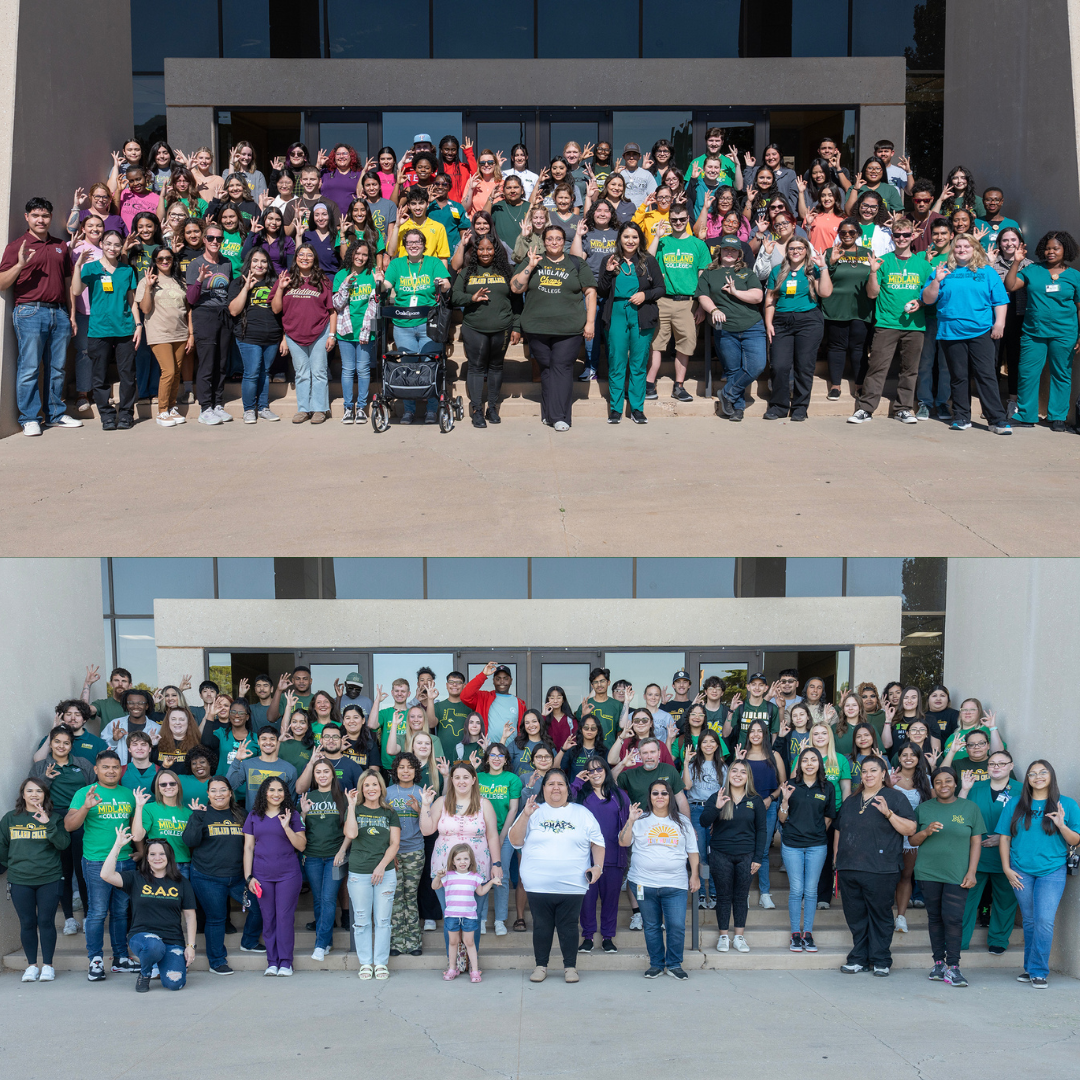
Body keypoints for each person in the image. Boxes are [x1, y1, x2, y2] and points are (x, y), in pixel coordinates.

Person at [508, 770, 604, 984]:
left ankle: (570, 967)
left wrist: (597, 866)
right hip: (538, 884)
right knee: (541, 926)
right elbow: (515, 840)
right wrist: (525, 815)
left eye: (560, 783)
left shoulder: (582, 813)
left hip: (572, 884)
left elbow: (598, 842)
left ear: (568, 789)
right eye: (550, 783)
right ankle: (541, 966)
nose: (556, 788)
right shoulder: (533, 811)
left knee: (569, 926)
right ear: (543, 789)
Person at [0, 197, 81, 435]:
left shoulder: (60, 246)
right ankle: (29, 418)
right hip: (29, 311)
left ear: (51, 218)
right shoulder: (17, 246)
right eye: (35, 215)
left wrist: (71, 314)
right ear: (27, 217)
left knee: (57, 369)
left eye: (45, 216)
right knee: (29, 367)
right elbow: (2, 282)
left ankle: (55, 414)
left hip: (59, 312)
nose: (40, 220)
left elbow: (67, 283)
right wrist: (19, 265)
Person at [997, 759, 1080, 988]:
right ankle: (1031, 968)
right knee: (1031, 921)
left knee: (1044, 920)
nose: (1038, 776)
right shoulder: (1015, 803)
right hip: (1020, 870)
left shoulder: (1068, 804)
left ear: (1051, 776)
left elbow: (1076, 840)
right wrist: (1006, 868)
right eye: (1032, 773)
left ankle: (1039, 971)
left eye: (1043, 772)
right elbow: (1004, 837)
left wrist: (1062, 825)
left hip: (1052, 871)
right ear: (1028, 779)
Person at [921, 232, 1012, 434]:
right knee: (958, 376)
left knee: (986, 375)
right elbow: (927, 299)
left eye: (967, 246)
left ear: (974, 249)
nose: (962, 250)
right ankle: (961, 417)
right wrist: (936, 281)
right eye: (958, 246)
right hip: (951, 332)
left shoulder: (986, 271)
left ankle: (996, 419)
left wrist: (999, 324)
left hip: (981, 331)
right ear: (953, 250)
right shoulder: (943, 270)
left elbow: (1000, 300)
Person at [834, 756, 917, 976]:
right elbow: (839, 830)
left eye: (873, 770)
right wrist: (837, 859)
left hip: (882, 868)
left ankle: (881, 959)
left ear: (883, 774)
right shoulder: (851, 800)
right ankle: (858, 958)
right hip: (849, 867)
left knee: (880, 915)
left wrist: (889, 814)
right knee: (855, 916)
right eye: (864, 771)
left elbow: (910, 829)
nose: (868, 775)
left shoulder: (895, 798)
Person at [511, 225, 597, 431]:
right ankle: (549, 413)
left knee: (562, 367)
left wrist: (590, 322)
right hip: (537, 328)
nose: (554, 242)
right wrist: (530, 266)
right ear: (543, 241)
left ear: (564, 241)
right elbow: (515, 287)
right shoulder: (533, 260)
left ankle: (561, 417)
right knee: (547, 369)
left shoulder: (576, 263)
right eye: (550, 239)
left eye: (558, 239)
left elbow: (590, 293)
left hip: (569, 329)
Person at [908, 766, 986, 986]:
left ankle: (953, 966)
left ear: (955, 784)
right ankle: (938, 964)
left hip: (957, 874)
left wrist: (972, 871)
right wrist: (926, 831)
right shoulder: (924, 809)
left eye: (948, 781)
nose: (944, 785)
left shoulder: (970, 808)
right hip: (928, 872)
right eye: (939, 782)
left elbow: (976, 842)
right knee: (934, 918)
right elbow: (912, 841)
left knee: (953, 919)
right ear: (933, 785)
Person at [64, 750, 137, 980]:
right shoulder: (85, 793)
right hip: (96, 861)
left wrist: (141, 853)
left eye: (115, 767)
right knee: (96, 913)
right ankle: (95, 960)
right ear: (96, 770)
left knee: (120, 912)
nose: (111, 771)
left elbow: (136, 828)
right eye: (105, 767)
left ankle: (120, 958)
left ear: (120, 769)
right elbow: (69, 826)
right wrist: (86, 807)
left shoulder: (128, 795)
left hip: (125, 861)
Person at [420, 761, 500, 966]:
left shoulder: (484, 804)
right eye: (457, 777)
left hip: (478, 868)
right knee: (451, 918)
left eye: (466, 777)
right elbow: (427, 830)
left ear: (474, 779)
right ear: (452, 780)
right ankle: (453, 962)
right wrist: (425, 805)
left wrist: (496, 863)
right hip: (445, 870)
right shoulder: (442, 802)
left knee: (472, 918)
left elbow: (492, 836)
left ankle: (471, 963)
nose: (461, 781)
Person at [620, 777, 699, 979]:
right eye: (655, 793)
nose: (660, 796)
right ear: (650, 796)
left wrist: (695, 875)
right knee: (652, 925)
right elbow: (623, 842)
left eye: (664, 792)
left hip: (676, 884)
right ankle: (656, 963)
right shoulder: (640, 819)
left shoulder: (682, 822)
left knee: (676, 926)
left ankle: (673, 964)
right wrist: (630, 821)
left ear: (670, 796)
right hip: (643, 883)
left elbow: (692, 851)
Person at [101, 827, 196, 993]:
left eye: (162, 854)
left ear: (169, 857)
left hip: (172, 940)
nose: (157, 858)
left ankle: (160, 964)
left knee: (175, 983)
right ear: (147, 857)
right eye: (152, 854)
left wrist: (190, 946)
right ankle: (145, 973)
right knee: (153, 945)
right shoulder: (136, 878)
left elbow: (190, 916)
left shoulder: (181, 882)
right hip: (142, 936)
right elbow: (106, 875)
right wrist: (117, 845)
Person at [182, 774, 262, 973]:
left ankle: (249, 941)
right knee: (216, 918)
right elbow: (190, 841)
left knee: (260, 906)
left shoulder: (241, 814)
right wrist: (197, 817)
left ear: (230, 793)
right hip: (207, 877)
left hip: (238, 877)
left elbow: (251, 845)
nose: (219, 794)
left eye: (223, 790)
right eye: (214, 790)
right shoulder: (201, 814)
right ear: (208, 794)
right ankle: (217, 961)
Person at [1004, 232, 1080, 432]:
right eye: (1048, 248)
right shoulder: (1032, 270)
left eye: (1056, 248)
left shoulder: (1074, 276)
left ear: (1065, 250)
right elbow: (1010, 285)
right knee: (1027, 373)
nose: (1051, 252)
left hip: (1064, 333)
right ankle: (1026, 415)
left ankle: (1057, 417)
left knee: (1061, 374)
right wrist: (1015, 262)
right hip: (1033, 332)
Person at [0, 777, 70, 981]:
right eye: (29, 791)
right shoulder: (10, 819)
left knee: (46, 922)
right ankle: (31, 966)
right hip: (20, 879)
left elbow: (63, 844)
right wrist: (14, 865)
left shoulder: (54, 818)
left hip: (49, 878)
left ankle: (48, 965)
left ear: (45, 795)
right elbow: (2, 847)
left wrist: (47, 824)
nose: (34, 794)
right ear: (23, 794)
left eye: (39, 791)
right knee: (27, 922)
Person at [596, 221, 664, 425]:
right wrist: (608, 272)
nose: (630, 241)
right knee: (616, 362)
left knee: (638, 363)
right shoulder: (610, 260)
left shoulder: (648, 261)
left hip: (641, 315)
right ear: (619, 239)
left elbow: (661, 288)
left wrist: (645, 294)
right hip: (616, 314)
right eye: (626, 237)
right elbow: (601, 290)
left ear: (640, 240)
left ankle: (637, 408)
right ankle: (616, 409)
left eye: (634, 237)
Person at [29, 725, 94, 935]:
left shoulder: (82, 764)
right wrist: (47, 779)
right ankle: (68, 919)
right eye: (57, 742)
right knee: (62, 871)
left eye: (66, 742)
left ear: (71, 745)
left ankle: (87, 917)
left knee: (82, 870)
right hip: (53, 820)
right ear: (50, 743)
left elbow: (94, 789)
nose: (61, 746)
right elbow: (32, 794)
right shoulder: (41, 766)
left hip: (79, 818)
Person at [646, 204, 711, 403]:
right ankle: (649, 384)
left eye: (682, 219)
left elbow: (703, 277)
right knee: (656, 344)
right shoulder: (663, 243)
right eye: (674, 220)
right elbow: (647, 260)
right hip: (663, 301)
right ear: (669, 220)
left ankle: (679, 386)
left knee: (685, 344)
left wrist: (701, 305)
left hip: (688, 302)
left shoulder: (698, 245)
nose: (678, 223)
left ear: (688, 219)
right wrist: (656, 236)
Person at [453, 234, 519, 428]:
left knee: (496, 367)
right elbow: (455, 297)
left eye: (489, 248)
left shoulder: (507, 270)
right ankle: (476, 410)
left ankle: (492, 407)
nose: (485, 252)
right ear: (475, 251)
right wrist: (470, 299)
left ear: (496, 250)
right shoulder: (467, 273)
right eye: (481, 249)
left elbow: (516, 302)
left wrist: (516, 326)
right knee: (476, 367)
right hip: (475, 327)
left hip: (502, 327)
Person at [958, 749, 1021, 955]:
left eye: (1002, 764)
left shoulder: (1021, 790)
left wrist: (1003, 838)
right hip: (975, 856)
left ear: (1011, 766)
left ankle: (998, 940)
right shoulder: (975, 787)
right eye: (992, 763)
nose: (996, 767)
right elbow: (960, 814)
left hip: (1007, 856)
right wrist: (964, 790)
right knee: (966, 900)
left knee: (1005, 900)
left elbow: (1029, 822)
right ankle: (959, 941)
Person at [697, 236, 765, 422]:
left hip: (752, 326)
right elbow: (703, 296)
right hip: (725, 329)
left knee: (757, 365)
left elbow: (758, 296)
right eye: (725, 249)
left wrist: (735, 292)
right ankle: (738, 409)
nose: (729, 252)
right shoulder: (709, 274)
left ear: (739, 254)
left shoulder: (746, 273)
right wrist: (714, 309)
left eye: (733, 250)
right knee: (734, 370)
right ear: (719, 252)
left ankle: (727, 392)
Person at [243, 776, 306, 977]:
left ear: (285, 793)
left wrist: (286, 826)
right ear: (264, 793)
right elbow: (248, 848)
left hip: (288, 874)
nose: (276, 794)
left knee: (284, 918)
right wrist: (248, 877)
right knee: (268, 918)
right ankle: (272, 961)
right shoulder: (253, 815)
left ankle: (286, 962)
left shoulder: (293, 814)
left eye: (280, 790)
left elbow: (301, 845)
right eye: (271, 790)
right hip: (262, 875)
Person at [764, 237, 832, 421]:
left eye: (800, 248)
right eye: (792, 248)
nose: (796, 251)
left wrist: (823, 267)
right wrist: (769, 323)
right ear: (787, 251)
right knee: (779, 365)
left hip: (808, 321)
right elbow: (770, 299)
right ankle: (778, 406)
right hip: (782, 321)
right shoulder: (777, 271)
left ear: (806, 250)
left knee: (804, 366)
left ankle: (800, 407)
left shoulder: (813, 270)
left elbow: (825, 293)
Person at [701, 759, 764, 954]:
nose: (737, 774)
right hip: (721, 854)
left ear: (748, 777)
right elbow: (704, 821)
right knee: (723, 896)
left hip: (746, 855)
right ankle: (723, 936)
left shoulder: (755, 800)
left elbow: (762, 830)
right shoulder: (718, 796)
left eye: (742, 772)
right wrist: (717, 807)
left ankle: (738, 936)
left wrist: (758, 858)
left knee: (740, 896)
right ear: (728, 775)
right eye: (734, 771)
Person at [778, 746, 835, 952]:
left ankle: (807, 934)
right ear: (799, 764)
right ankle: (795, 934)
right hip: (792, 844)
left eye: (813, 760)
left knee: (811, 891)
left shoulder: (827, 787)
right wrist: (785, 799)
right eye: (805, 760)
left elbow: (829, 817)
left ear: (819, 763)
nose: (809, 763)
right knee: (797, 890)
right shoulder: (791, 785)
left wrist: (816, 832)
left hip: (817, 845)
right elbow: (782, 819)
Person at [272, 243, 336, 425]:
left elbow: (331, 310)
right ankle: (303, 409)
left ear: (314, 258)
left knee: (319, 372)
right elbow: (276, 309)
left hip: (319, 332)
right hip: (293, 334)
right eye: (301, 254)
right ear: (296, 257)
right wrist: (280, 288)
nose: (305, 258)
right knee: (301, 373)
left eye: (309, 255)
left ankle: (319, 409)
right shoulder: (286, 278)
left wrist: (332, 335)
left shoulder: (323, 280)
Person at [571, 757, 628, 953]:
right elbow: (563, 804)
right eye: (591, 771)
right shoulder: (581, 795)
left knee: (611, 900)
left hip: (613, 856)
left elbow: (628, 825)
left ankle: (607, 937)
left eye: (599, 769)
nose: (596, 773)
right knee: (587, 900)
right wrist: (577, 783)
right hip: (586, 858)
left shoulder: (620, 796)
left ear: (606, 771)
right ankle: (587, 937)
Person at [184, 221, 234, 426]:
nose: (215, 241)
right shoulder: (195, 264)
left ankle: (218, 403)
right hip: (204, 314)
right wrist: (200, 279)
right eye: (211, 238)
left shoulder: (227, 263)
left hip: (223, 315)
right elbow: (191, 298)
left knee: (222, 362)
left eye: (219, 238)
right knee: (207, 362)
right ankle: (205, 408)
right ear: (204, 240)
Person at [299, 760, 349, 962]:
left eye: (325, 771)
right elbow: (299, 830)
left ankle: (320, 945)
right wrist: (303, 813)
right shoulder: (307, 797)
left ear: (332, 774)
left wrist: (342, 851)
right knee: (319, 900)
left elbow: (350, 829)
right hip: (312, 857)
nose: (321, 775)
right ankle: (326, 940)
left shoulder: (341, 798)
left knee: (328, 898)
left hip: (334, 857)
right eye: (318, 772)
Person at [227, 247, 282, 424]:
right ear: (249, 263)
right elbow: (234, 311)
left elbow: (279, 310)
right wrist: (246, 288)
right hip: (249, 336)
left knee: (265, 373)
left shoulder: (275, 282)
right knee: (251, 373)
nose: (260, 264)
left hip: (272, 336)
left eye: (264, 261)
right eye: (256, 261)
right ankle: (249, 409)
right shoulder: (238, 282)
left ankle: (264, 407)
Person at [820, 218, 873, 398]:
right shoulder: (830, 252)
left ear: (858, 233)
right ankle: (835, 385)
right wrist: (832, 263)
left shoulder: (868, 253)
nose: (847, 235)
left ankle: (859, 385)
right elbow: (825, 278)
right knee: (836, 346)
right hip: (836, 307)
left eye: (851, 232)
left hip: (861, 307)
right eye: (843, 232)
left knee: (859, 347)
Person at [432, 844, 495, 982]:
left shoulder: (475, 877)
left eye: (466, 858)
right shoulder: (447, 876)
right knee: (453, 942)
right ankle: (452, 968)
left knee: (469, 942)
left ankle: (475, 970)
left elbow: (481, 892)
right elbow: (435, 886)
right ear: (453, 861)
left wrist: (491, 883)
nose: (462, 862)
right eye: (459, 859)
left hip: (469, 916)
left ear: (471, 860)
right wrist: (437, 876)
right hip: (452, 916)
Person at [740, 719, 786, 910]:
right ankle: (743, 894)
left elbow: (783, 784)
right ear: (748, 734)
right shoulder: (742, 756)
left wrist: (771, 798)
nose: (756, 734)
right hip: (745, 809)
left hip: (768, 809)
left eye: (760, 731)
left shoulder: (774, 755)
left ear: (765, 734)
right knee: (744, 851)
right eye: (753, 731)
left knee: (763, 852)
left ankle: (764, 893)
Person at [385, 752, 427, 956]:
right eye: (401, 767)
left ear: (416, 770)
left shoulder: (422, 792)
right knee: (394, 898)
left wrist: (419, 808)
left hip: (414, 851)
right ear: (395, 770)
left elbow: (430, 824)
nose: (405, 771)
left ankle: (413, 942)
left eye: (410, 767)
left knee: (410, 897)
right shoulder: (387, 792)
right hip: (391, 852)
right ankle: (395, 943)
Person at [131, 770, 192, 877]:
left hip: (183, 865)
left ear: (178, 786)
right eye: (163, 784)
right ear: (158, 788)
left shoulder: (188, 813)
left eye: (172, 783)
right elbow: (136, 837)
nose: (168, 787)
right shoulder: (149, 809)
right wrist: (139, 807)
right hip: (158, 864)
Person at [227, 727, 298, 813]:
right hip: (253, 819)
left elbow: (290, 801)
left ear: (277, 742)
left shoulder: (289, 769)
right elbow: (230, 785)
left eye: (272, 739)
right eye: (263, 739)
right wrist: (237, 759)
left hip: (279, 820)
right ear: (258, 742)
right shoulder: (247, 765)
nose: (268, 742)